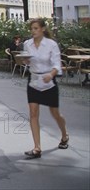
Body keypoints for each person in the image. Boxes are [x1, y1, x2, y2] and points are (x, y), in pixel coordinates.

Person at [21, 18, 68, 159]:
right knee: (33, 113)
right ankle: (37, 148)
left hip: (49, 80)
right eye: (31, 29)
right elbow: (27, 61)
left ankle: (65, 135)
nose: (33, 31)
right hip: (34, 80)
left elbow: (57, 64)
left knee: (55, 113)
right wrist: (25, 61)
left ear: (42, 29)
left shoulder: (51, 45)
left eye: (35, 28)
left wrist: (51, 74)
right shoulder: (27, 44)